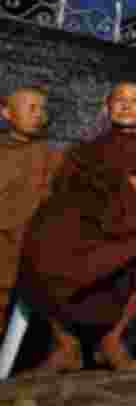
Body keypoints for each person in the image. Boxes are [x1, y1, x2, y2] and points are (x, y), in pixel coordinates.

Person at [20, 82, 136, 370]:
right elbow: (64, 189)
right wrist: (116, 185)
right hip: (87, 225)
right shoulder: (84, 150)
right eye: (119, 100)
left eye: (135, 101)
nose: (126, 105)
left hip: (132, 230)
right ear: (107, 108)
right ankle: (66, 344)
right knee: (40, 243)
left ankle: (111, 339)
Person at [0, 88, 72, 372]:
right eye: (31, 108)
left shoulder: (51, 157)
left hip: (28, 241)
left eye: (42, 109)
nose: (39, 115)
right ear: (6, 113)